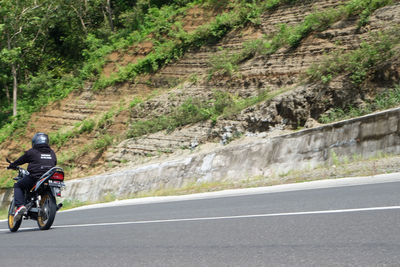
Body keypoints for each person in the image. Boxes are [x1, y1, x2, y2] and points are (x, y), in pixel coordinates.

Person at [7, 132, 57, 221]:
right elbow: (54, 162)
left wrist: (12, 165)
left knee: (18, 185)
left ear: (34, 142)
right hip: (49, 177)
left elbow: (21, 160)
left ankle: (20, 207)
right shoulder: (52, 152)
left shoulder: (32, 152)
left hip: (35, 177)